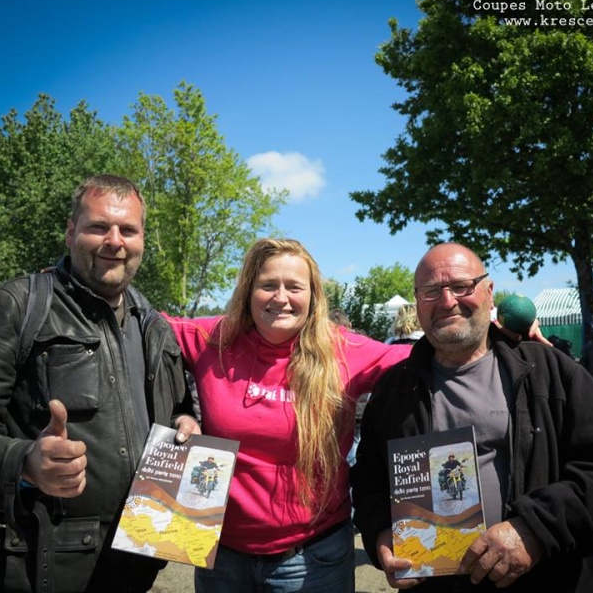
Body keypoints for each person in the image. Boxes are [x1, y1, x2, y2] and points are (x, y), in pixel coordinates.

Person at [0, 175, 199, 592]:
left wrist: (187, 420)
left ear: (142, 239)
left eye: (128, 229)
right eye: (98, 227)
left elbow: (178, 408)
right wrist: (23, 462)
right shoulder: (15, 307)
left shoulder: (155, 327)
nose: (115, 240)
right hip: (25, 569)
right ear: (71, 231)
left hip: (132, 569)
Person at [351, 242, 593, 592]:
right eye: (431, 292)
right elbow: (369, 476)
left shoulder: (549, 373)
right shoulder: (396, 389)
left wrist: (535, 529)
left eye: (461, 286)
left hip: (544, 581)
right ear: (417, 304)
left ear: (489, 293)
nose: (447, 301)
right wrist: (381, 533)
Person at [166, 238, 411, 593]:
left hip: (313, 558)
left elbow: (430, 358)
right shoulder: (212, 338)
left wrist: (508, 338)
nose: (281, 297)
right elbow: (137, 326)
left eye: (294, 287)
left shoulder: (344, 350)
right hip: (221, 556)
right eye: (268, 285)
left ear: (313, 297)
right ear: (249, 290)